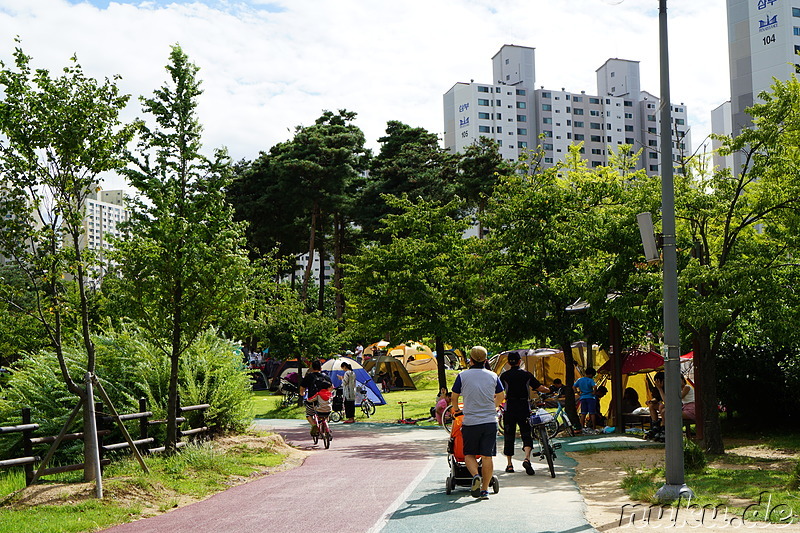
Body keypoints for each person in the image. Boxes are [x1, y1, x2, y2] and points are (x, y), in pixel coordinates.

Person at [451, 346, 504, 500]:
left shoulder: (463, 375)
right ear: (486, 359)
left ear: (471, 359)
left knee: (469, 454)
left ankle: (475, 475)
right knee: (487, 456)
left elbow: (454, 398)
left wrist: (457, 411)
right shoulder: (493, 376)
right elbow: (501, 396)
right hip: (489, 421)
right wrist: (492, 406)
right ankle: (485, 490)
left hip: (470, 421)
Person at [499, 351, 550, 475]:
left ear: (508, 363)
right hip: (523, 406)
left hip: (509, 407)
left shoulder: (504, 376)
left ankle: (509, 464)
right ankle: (527, 457)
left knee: (509, 435)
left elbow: (499, 391)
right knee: (526, 433)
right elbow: (539, 388)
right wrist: (549, 389)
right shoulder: (526, 375)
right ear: (519, 361)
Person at [299, 360, 333, 436]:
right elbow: (331, 387)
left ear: (312, 368)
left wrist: (302, 393)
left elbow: (302, 388)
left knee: (309, 414)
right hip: (325, 401)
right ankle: (326, 425)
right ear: (321, 368)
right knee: (325, 413)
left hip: (312, 399)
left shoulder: (309, 377)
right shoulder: (325, 377)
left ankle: (314, 425)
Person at [573, 367, 598, 433]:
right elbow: (595, 386)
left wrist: (577, 392)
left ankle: (582, 427)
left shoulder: (580, 380)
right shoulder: (590, 380)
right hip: (590, 397)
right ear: (591, 374)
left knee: (583, 413)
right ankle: (594, 427)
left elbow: (574, 386)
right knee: (592, 413)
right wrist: (594, 392)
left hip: (583, 397)